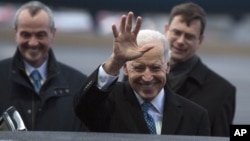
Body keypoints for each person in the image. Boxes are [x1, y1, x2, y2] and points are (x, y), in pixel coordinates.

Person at [74, 11, 210, 136]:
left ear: (167, 67)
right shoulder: (107, 102)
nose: (147, 77)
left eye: (156, 68)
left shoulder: (195, 116)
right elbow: (83, 107)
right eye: (138, 68)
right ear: (125, 68)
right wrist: (115, 61)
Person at [0, 1, 88, 131]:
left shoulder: (79, 85)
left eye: (40, 35)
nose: (33, 43)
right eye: (26, 34)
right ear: (15, 33)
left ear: (53, 34)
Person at [163, 2, 236, 137]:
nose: (180, 41)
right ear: (166, 30)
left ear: (200, 40)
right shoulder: (138, 74)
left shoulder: (223, 93)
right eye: (177, 32)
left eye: (189, 36)